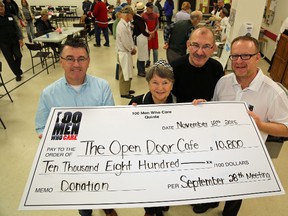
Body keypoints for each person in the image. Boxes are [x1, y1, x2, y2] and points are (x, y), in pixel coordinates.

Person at [193, 35, 288, 216]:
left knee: (237, 188)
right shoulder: (223, 82)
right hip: (220, 147)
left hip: (248, 154)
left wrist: (261, 125)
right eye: (235, 56)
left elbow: (286, 127)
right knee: (216, 177)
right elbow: (216, 109)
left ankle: (229, 212)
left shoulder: (273, 92)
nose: (239, 61)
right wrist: (204, 108)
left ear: (258, 57)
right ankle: (211, 201)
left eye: (246, 56)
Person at [34, 36, 117, 216]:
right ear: (61, 62)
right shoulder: (48, 94)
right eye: (70, 59)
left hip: (99, 153)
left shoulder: (102, 87)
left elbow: (111, 121)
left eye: (81, 59)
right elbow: (41, 127)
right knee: (81, 196)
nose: (76, 64)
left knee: (103, 185)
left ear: (88, 61)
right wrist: (47, 139)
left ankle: (107, 205)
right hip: (70, 160)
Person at [129, 59, 174, 216]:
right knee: (147, 186)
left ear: (172, 85)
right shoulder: (136, 103)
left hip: (169, 159)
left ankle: (163, 204)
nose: (160, 88)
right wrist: (130, 118)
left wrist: (199, 109)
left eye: (165, 82)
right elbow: (126, 134)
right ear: (148, 83)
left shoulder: (181, 105)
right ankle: (149, 210)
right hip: (145, 159)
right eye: (155, 82)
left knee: (165, 185)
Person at [170, 26, 224, 103]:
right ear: (188, 45)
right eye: (195, 45)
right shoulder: (173, 68)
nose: (199, 52)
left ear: (213, 48)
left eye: (206, 46)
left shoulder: (217, 69)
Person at [0, 0, 24, 81]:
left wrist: (20, 38)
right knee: (10, 60)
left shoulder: (10, 16)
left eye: (2, 6)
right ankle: (17, 74)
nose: (1, 8)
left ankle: (17, 70)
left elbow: (17, 28)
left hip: (14, 41)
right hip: (3, 43)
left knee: (19, 56)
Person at [116, 6, 136, 99]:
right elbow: (125, 42)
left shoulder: (126, 24)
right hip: (123, 52)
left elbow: (130, 38)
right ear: (127, 15)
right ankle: (123, 92)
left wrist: (132, 48)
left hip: (127, 52)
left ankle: (127, 89)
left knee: (128, 71)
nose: (132, 17)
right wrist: (131, 49)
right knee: (124, 73)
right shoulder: (121, 26)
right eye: (132, 15)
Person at [133, 2, 150, 77]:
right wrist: (148, 35)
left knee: (142, 55)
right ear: (142, 11)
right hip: (141, 38)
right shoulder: (138, 19)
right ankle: (140, 71)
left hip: (142, 38)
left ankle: (142, 70)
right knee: (141, 56)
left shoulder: (138, 18)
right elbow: (142, 30)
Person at [143, 2, 159, 68]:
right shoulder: (143, 16)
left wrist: (154, 31)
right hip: (147, 34)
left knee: (155, 50)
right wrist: (148, 32)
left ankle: (155, 62)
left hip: (154, 34)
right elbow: (143, 26)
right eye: (150, 8)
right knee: (147, 50)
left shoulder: (155, 15)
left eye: (152, 8)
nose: (152, 9)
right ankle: (148, 61)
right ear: (147, 8)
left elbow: (157, 24)